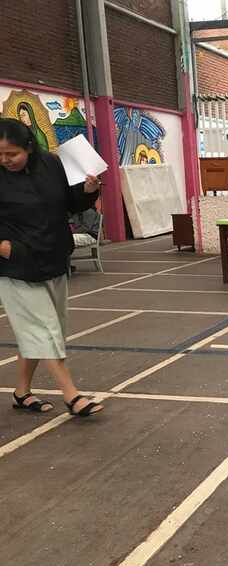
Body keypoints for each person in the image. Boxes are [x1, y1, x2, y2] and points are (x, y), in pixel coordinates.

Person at [0, 117, 103, 417]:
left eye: (12, 154)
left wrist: (87, 189)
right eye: (0, 155)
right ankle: (72, 395)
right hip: (15, 266)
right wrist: (5, 248)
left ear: (29, 147)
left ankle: (21, 392)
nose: (6, 160)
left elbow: (69, 204)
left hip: (54, 257)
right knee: (44, 331)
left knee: (42, 331)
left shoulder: (52, 165)